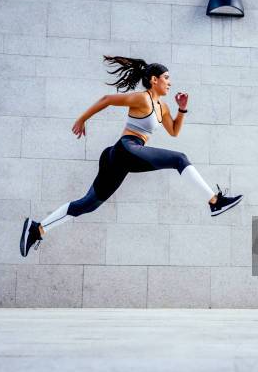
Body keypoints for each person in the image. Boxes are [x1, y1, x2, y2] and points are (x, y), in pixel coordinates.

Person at [20, 55, 243, 257]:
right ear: (154, 80)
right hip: (126, 149)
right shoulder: (142, 99)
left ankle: (38, 228)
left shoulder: (162, 107)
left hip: (122, 157)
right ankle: (215, 201)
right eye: (166, 78)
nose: (170, 82)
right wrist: (81, 119)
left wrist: (182, 109)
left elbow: (174, 131)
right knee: (179, 159)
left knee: (89, 204)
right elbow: (107, 99)